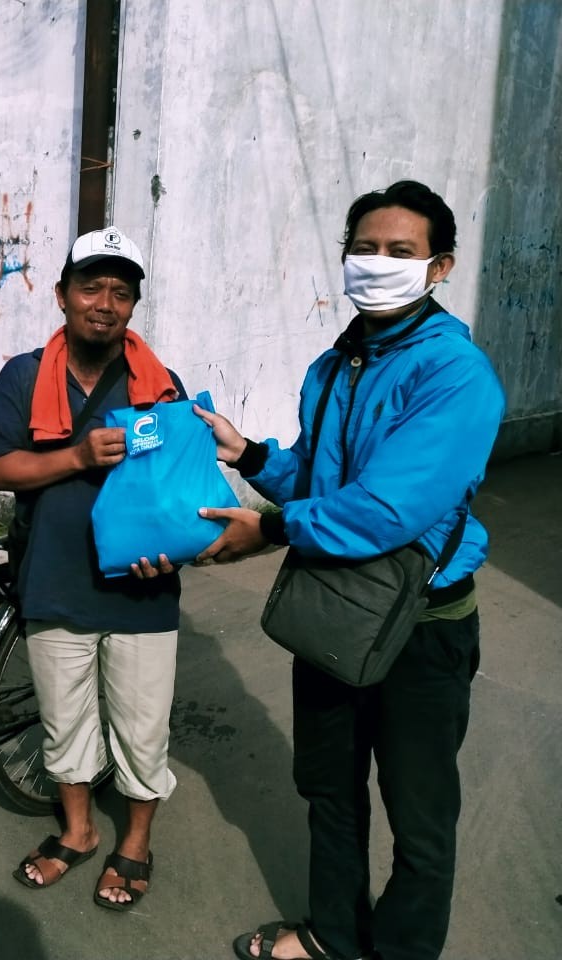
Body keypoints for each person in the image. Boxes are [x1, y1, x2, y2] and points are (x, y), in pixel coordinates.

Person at [194, 181, 505, 960]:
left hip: (422, 629)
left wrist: (265, 530)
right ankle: (332, 935)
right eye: (364, 248)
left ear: (440, 267)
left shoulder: (456, 375)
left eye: (400, 251)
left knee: (420, 819)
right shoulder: (333, 366)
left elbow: (385, 511)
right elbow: (322, 481)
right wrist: (253, 457)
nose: (377, 264)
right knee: (329, 792)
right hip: (333, 612)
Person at [0, 225, 186, 911]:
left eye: (121, 292)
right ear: (63, 295)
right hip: (55, 581)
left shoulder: (161, 384)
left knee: (142, 728)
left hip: (143, 590)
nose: (105, 302)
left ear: (132, 308)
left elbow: (179, 487)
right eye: (91, 286)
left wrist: (181, 542)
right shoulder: (25, 376)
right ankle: (81, 830)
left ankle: (136, 841)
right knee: (65, 723)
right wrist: (76, 457)